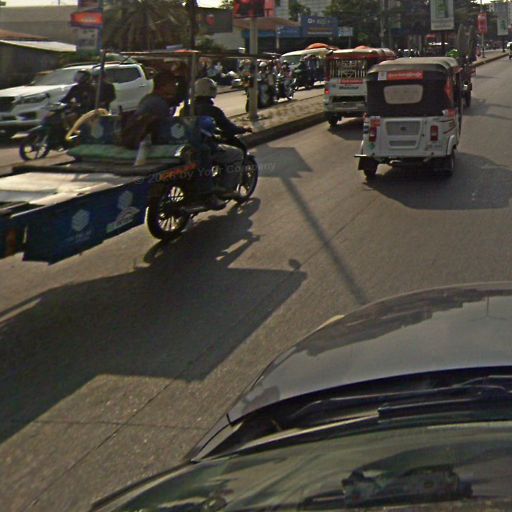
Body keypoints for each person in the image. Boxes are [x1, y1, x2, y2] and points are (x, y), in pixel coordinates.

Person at [194, 77, 252, 198]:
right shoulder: (213, 110)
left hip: (190, 145)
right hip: (206, 145)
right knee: (237, 154)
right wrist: (243, 129)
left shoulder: (187, 109)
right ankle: (227, 189)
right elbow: (229, 128)